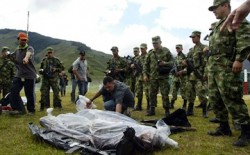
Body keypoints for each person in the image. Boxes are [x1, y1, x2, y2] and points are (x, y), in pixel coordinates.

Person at [207, 0, 250, 147]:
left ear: (225, 5)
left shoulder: (237, 19)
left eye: (215, 8)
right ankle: (224, 127)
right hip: (214, 68)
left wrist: (239, 59)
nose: (213, 11)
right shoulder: (218, 25)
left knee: (232, 98)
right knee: (215, 98)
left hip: (227, 68)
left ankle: (246, 131)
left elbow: (244, 40)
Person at [143, 36, 174, 116]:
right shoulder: (150, 53)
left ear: (160, 42)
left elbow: (172, 62)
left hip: (163, 77)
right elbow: (145, 65)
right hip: (153, 77)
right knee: (152, 94)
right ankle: (152, 109)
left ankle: (167, 110)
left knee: (165, 94)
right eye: (153, 43)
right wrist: (145, 74)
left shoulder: (166, 51)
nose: (155, 45)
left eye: (156, 43)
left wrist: (164, 63)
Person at [9, 32, 37, 115]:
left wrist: (26, 58)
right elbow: (13, 57)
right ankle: (17, 109)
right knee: (13, 91)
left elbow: (29, 54)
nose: (24, 41)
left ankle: (31, 110)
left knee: (29, 93)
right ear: (18, 39)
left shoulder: (30, 48)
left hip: (29, 75)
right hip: (19, 74)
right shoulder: (17, 50)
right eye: (22, 40)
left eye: (25, 40)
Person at [184, 31, 208, 118]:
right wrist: (185, 63)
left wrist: (205, 74)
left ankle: (205, 111)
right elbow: (186, 60)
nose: (192, 39)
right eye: (191, 37)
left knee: (201, 92)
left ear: (198, 37)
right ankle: (190, 110)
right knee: (190, 92)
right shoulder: (191, 50)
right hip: (191, 75)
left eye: (194, 37)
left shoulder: (204, 48)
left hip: (200, 74)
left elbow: (206, 62)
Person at [170, 44, 188, 110]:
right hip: (176, 77)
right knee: (174, 91)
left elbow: (188, 67)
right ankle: (171, 104)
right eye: (176, 48)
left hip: (182, 77)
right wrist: (173, 72)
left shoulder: (184, 57)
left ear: (182, 48)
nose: (177, 49)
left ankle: (184, 105)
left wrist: (182, 71)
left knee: (183, 91)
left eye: (179, 48)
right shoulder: (176, 57)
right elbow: (174, 66)